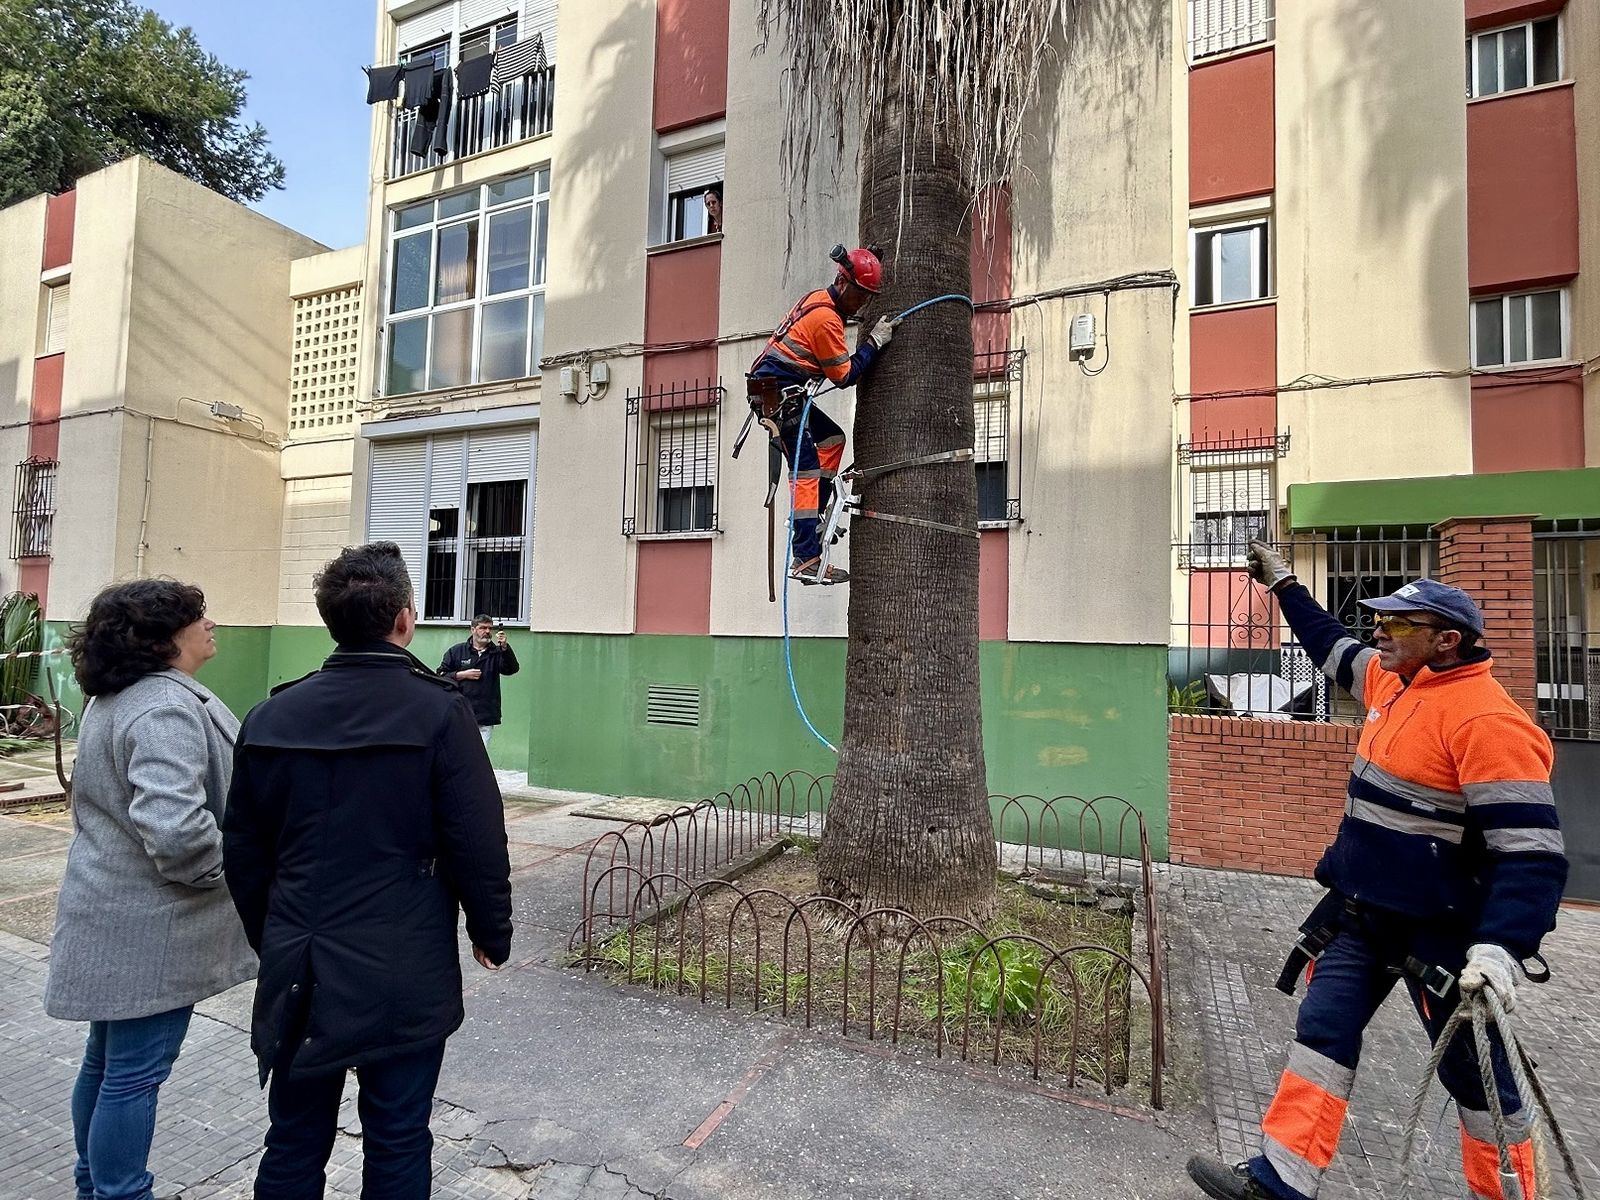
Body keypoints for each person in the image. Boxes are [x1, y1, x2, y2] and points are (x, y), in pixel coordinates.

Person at [1186, 544, 1568, 1200]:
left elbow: (1531, 855)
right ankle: (1280, 1181)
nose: (1378, 634)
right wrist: (1283, 586)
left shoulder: (1488, 721)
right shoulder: (1395, 680)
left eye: (1396, 626)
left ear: (1446, 641)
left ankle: (1510, 1193)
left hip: (1443, 938)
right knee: (1322, 1030)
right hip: (1362, 916)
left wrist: (1501, 951)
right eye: (1381, 623)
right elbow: (1329, 643)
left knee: (1477, 1081)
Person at [223, 543, 513, 1200]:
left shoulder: (270, 717)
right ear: (405, 620)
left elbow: (243, 853)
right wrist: (491, 931)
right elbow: (477, 838)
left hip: (301, 970)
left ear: (331, 621)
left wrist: (276, 935)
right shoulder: (442, 713)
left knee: (293, 1141)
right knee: (399, 1136)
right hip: (403, 968)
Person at [46, 580, 257, 1200]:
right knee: (134, 1074)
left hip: (109, 908)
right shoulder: (164, 707)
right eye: (198, 617)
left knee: (107, 1064)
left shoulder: (116, 697)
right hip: (153, 928)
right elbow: (177, 832)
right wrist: (230, 871)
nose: (211, 624)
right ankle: (120, 1191)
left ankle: (96, 1185)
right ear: (166, 639)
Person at [746, 245, 897, 583]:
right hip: (778, 395)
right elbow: (844, 376)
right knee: (806, 470)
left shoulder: (820, 300)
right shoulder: (826, 319)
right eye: (862, 295)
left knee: (831, 440)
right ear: (844, 284)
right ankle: (805, 558)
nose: (865, 304)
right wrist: (873, 343)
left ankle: (812, 515)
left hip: (780, 391)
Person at [437, 614, 520, 747]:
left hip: (485, 715)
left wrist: (505, 647)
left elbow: (512, 669)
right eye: (483, 628)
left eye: (490, 628)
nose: (487, 632)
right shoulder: (457, 651)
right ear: (473, 629)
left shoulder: (496, 652)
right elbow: (441, 675)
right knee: (458, 752)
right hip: (460, 713)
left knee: (479, 756)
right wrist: (461, 675)